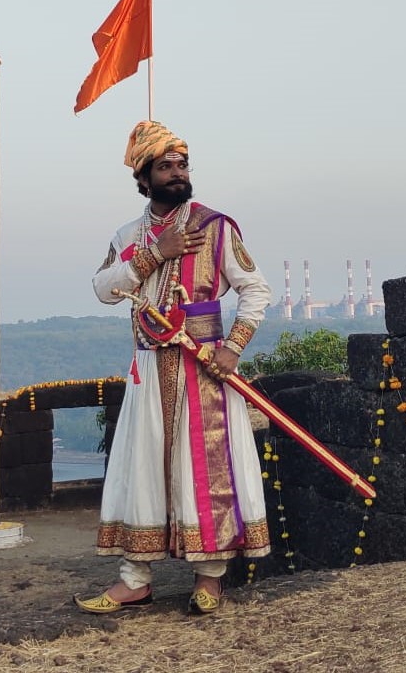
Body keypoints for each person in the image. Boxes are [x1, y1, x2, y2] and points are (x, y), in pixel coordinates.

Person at [74, 120, 272, 615]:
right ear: (143, 178)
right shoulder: (127, 235)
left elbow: (255, 289)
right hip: (147, 368)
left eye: (182, 164)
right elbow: (102, 288)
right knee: (141, 470)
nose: (177, 172)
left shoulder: (216, 226)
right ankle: (134, 578)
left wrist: (233, 347)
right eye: (165, 166)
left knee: (206, 472)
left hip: (203, 368)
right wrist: (150, 256)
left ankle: (209, 577)